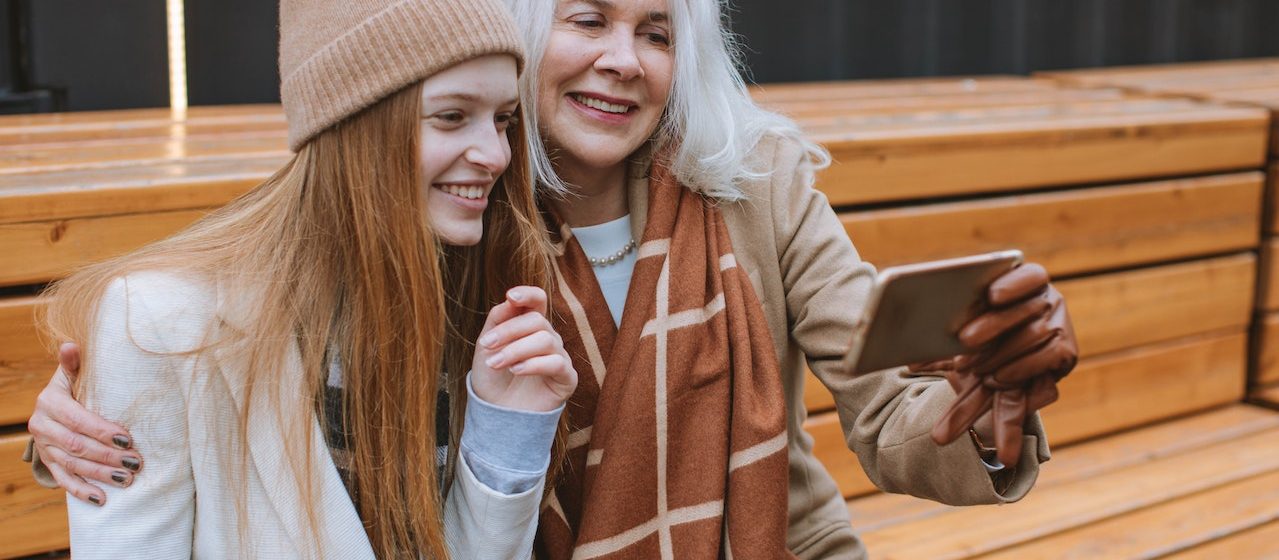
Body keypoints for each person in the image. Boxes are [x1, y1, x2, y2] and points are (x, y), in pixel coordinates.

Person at [28, 0, 1077, 557]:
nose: (624, 58)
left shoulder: (754, 184)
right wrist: (89, 417)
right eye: (588, 19)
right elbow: (271, 330)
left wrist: (983, 417)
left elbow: (890, 402)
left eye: (657, 31)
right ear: (522, 38)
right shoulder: (453, 219)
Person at [22, 0, 577, 558]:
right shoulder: (159, 322)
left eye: (503, 119)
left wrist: (504, 437)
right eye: (452, 116)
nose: (495, 153)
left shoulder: (477, 303)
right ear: (352, 124)